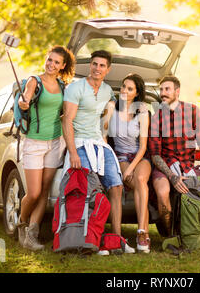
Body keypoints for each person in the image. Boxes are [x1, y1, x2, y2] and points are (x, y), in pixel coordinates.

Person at [61, 50, 135, 253]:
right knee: (88, 187)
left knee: (116, 186)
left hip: (99, 144)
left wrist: (105, 135)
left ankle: (116, 239)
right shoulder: (75, 88)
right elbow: (67, 120)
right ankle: (89, 237)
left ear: (107, 69)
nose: (97, 68)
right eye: (94, 64)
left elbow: (107, 116)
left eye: (102, 65)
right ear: (90, 65)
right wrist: (73, 152)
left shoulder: (107, 91)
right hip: (80, 142)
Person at [148, 76, 200, 236]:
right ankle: (172, 234)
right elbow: (155, 155)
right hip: (165, 168)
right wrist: (172, 177)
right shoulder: (157, 117)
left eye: (167, 89)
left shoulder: (193, 112)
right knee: (163, 194)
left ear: (177, 92)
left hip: (188, 166)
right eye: (161, 89)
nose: (163, 93)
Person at [17, 45, 75, 251]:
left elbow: (63, 113)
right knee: (33, 193)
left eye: (56, 62)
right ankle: (22, 223)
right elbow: (25, 97)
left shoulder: (62, 86)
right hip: (34, 142)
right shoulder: (35, 81)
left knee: (44, 192)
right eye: (49, 60)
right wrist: (24, 103)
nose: (51, 64)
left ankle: (32, 234)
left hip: (55, 142)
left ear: (63, 66)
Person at [103, 73, 152, 253]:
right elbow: (105, 135)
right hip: (121, 156)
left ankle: (140, 232)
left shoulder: (143, 110)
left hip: (139, 157)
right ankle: (143, 236)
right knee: (137, 184)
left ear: (137, 93)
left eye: (129, 88)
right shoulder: (111, 106)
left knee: (140, 180)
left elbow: (144, 146)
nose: (124, 91)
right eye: (123, 86)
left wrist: (131, 168)